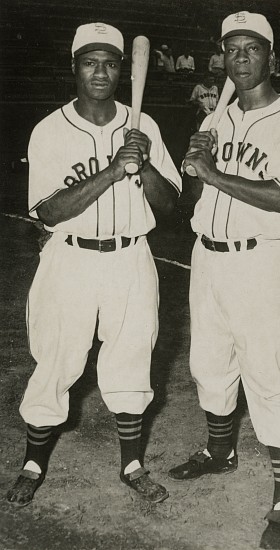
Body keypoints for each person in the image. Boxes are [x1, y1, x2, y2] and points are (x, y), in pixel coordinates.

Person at [6, 22, 181, 508]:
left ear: (123, 70)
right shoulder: (50, 129)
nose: (100, 72)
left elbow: (170, 208)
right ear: (74, 66)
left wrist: (143, 166)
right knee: (57, 360)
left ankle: (131, 464)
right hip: (71, 259)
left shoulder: (145, 126)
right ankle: (33, 463)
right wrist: (112, 169)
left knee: (131, 360)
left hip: (132, 258)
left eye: (109, 62)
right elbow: (48, 211)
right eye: (90, 61)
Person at [169, 11, 280, 550]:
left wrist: (213, 173)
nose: (240, 58)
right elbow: (194, 195)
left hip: (262, 261)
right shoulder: (218, 120)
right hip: (206, 259)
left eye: (251, 48)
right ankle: (219, 452)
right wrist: (194, 167)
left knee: (269, 374)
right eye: (231, 49)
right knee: (209, 363)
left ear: (272, 57)